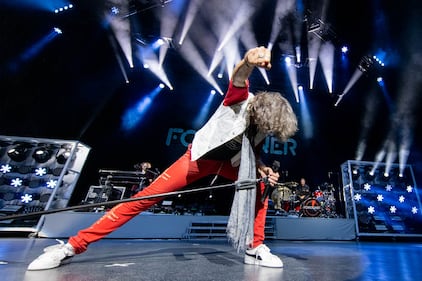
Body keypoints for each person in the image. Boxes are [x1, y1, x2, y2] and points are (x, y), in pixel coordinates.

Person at [27, 46, 298, 270]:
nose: (268, 131)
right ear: (259, 112)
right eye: (267, 126)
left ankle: (255, 246)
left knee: (261, 186)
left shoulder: (264, 126)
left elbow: (252, 151)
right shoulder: (240, 101)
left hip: (231, 165)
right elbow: (238, 78)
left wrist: (261, 168)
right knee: (140, 200)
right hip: (198, 159)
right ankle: (72, 246)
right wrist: (247, 63)